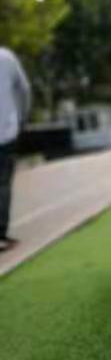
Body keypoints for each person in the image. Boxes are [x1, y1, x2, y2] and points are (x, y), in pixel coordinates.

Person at [0, 46, 32, 253]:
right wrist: (23, 116)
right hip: (5, 131)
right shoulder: (6, 57)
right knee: (2, 184)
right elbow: (24, 89)